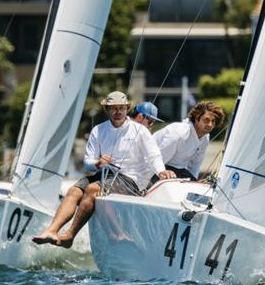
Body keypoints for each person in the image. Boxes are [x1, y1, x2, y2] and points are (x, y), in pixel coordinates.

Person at [32, 91, 175, 248]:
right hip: (104, 173)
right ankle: (51, 231)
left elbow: (153, 155)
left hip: (130, 179)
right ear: (107, 109)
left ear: (127, 109)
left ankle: (69, 236)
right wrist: (98, 163)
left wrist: (161, 171)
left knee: (93, 189)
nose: (118, 112)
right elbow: (87, 162)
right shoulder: (98, 130)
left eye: (121, 108)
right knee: (73, 191)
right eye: (113, 108)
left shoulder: (140, 130)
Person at [153, 101, 225, 180]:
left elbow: (195, 165)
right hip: (156, 166)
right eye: (206, 120)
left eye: (213, 121)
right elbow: (157, 160)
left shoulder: (205, 138)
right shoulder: (179, 132)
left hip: (178, 170)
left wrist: (193, 182)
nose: (210, 124)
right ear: (197, 118)